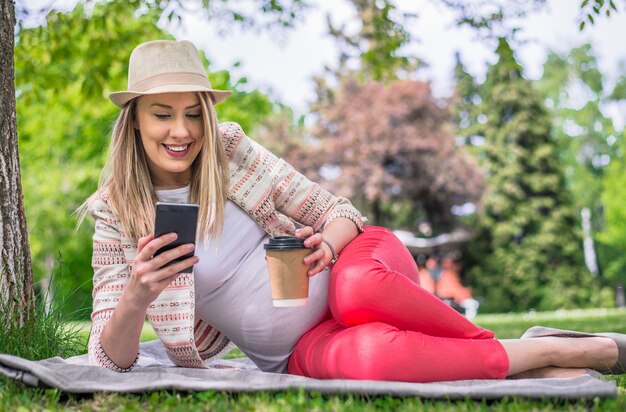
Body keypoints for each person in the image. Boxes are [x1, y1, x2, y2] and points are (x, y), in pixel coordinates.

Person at [81, 39, 625, 381]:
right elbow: (110, 360)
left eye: (192, 114)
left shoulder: (228, 150)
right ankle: (541, 353)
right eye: (161, 115)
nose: (182, 132)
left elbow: (338, 209)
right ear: (133, 121)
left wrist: (329, 243)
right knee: (372, 360)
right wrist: (138, 293)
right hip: (301, 348)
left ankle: (569, 351)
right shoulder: (117, 214)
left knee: (357, 289)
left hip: (360, 265)